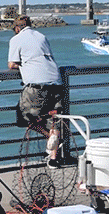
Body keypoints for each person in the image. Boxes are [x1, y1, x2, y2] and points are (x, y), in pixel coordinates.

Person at [7, 15, 67, 169]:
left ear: (17, 28)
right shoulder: (41, 36)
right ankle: (53, 159)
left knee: (23, 117)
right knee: (54, 118)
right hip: (56, 81)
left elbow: (12, 64)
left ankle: (50, 138)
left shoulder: (16, 39)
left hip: (36, 85)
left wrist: (22, 65)